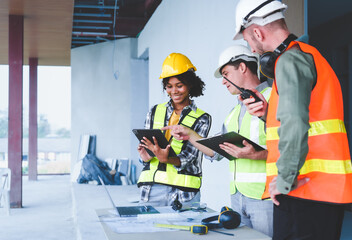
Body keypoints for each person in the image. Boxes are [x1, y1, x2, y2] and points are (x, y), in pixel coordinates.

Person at [233, 0, 352, 239]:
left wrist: (284, 180)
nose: (253, 50)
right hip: (316, 191)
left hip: (303, 191)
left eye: (248, 41)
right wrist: (267, 113)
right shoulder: (305, 55)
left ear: (257, 32)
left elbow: (295, 123)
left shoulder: (288, 61)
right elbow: (307, 116)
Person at [163, 45, 273, 237]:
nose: (223, 82)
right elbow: (215, 152)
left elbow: (291, 147)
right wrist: (190, 134)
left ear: (242, 67)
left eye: (225, 73)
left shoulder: (272, 98)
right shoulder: (235, 111)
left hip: (265, 197)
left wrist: (258, 154)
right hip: (238, 198)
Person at [136, 53, 211, 207]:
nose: (174, 91)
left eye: (179, 85)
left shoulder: (202, 117)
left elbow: (190, 156)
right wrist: (145, 156)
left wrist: (167, 159)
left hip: (184, 194)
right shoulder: (155, 111)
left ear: (190, 84)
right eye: (169, 86)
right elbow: (148, 147)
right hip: (151, 189)